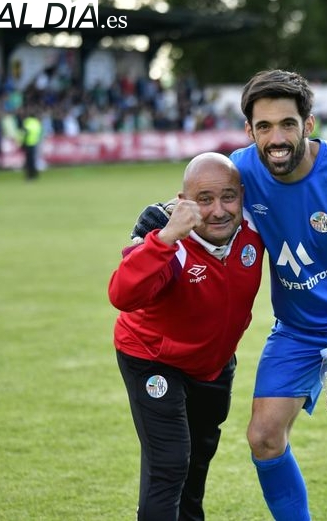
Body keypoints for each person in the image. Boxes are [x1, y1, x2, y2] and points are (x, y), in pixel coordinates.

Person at [133, 70, 327, 520]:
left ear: (308, 125)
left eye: (287, 124)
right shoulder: (245, 170)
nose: (276, 138)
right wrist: (160, 212)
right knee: (264, 437)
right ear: (250, 131)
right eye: (265, 127)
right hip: (300, 326)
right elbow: (209, 195)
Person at [110, 152, 264, 520]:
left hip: (213, 365)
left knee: (198, 459)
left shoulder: (254, 230)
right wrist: (161, 240)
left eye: (228, 196)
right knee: (171, 462)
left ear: (242, 195)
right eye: (204, 200)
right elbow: (122, 295)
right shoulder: (171, 245)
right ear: (183, 203)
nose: (218, 210)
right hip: (152, 358)